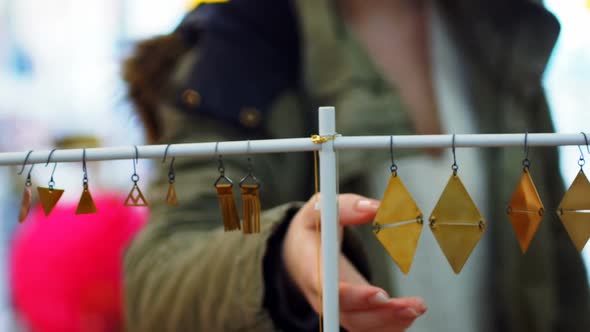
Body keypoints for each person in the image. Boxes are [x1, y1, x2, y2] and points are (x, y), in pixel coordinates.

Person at [122, 0, 590, 331]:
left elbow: (555, 258)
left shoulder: (505, 33)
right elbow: (158, 285)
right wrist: (277, 260)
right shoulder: (239, 50)